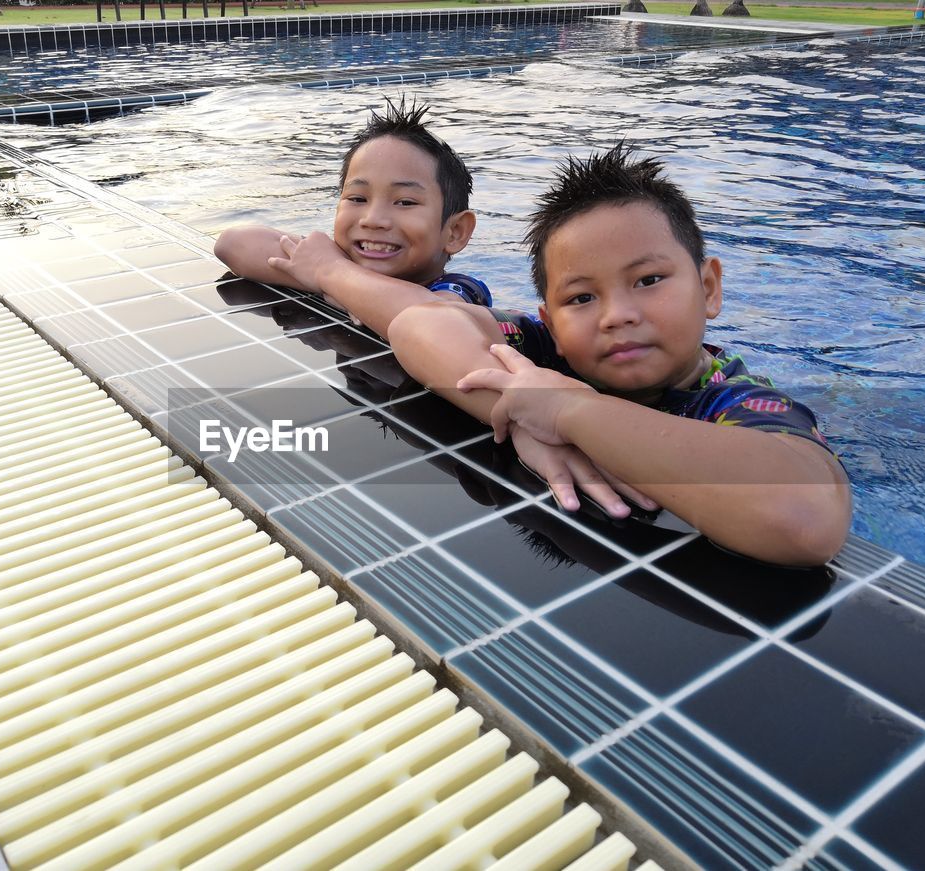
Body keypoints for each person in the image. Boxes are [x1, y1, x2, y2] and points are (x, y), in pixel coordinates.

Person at [388, 143, 851, 566]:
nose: (617, 316)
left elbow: (805, 519)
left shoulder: (732, 402)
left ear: (708, 288)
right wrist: (519, 412)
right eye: (581, 298)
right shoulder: (552, 351)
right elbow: (418, 324)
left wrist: (569, 410)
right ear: (551, 324)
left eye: (648, 281)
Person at [214, 98, 491, 340]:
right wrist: (332, 273)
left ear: (455, 231)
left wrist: (332, 277)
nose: (373, 220)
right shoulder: (334, 259)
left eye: (405, 202)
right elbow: (233, 244)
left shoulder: (463, 290)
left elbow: (435, 325)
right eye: (358, 199)